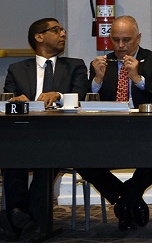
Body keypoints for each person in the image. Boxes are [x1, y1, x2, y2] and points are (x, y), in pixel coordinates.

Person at [77, 15, 152, 231]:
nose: (121, 46)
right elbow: (81, 103)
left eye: (127, 40)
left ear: (138, 38)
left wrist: (138, 79)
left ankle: (125, 203)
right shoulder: (102, 63)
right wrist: (96, 81)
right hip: (109, 133)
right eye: (116, 40)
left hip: (146, 133)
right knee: (81, 157)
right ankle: (128, 201)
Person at [0, 18, 88, 240]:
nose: (63, 34)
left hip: (61, 136)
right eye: (56, 30)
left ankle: (18, 217)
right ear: (39, 37)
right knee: (11, 158)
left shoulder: (75, 66)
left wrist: (58, 95)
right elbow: (7, 102)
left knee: (45, 159)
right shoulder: (17, 69)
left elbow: (80, 97)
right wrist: (17, 101)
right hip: (26, 135)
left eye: (63, 30)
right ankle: (24, 217)